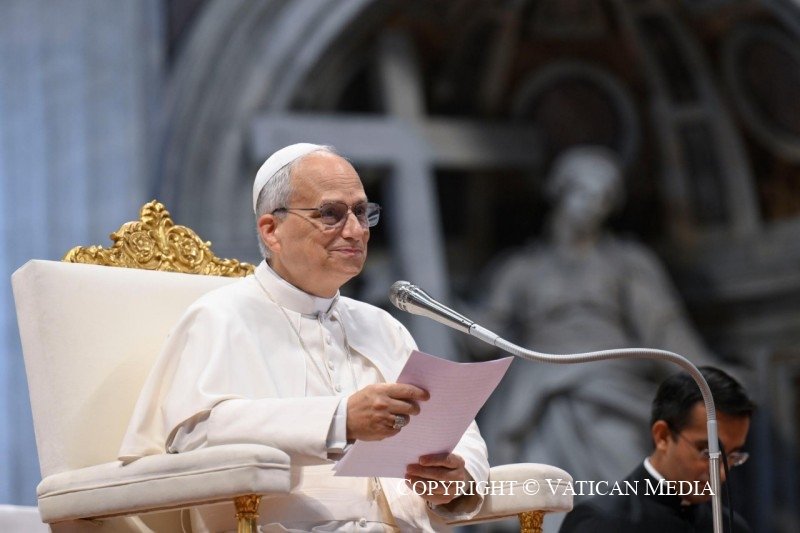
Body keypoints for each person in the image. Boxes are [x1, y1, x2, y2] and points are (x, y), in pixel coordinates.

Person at [118, 143, 489, 532]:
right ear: (271, 230)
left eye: (362, 213)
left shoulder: (381, 325)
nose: (355, 230)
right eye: (330, 214)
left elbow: (455, 430)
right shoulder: (220, 315)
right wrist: (339, 420)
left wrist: (457, 480)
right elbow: (195, 435)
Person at [476, 146, 725, 488]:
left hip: (610, 382)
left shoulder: (625, 262)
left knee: (620, 464)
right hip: (539, 384)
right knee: (538, 472)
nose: (592, 205)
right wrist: (434, 304)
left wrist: (710, 379)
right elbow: (483, 334)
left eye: (603, 197)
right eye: (582, 191)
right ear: (559, 192)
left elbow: (663, 328)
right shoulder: (520, 269)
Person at [558, 366, 754, 532]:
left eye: (733, 456)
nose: (721, 474)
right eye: (708, 454)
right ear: (663, 436)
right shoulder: (600, 522)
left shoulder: (730, 527)